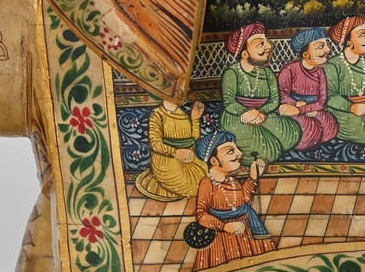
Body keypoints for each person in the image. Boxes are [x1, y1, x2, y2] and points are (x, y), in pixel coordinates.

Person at [188, 131, 275, 272]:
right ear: (214, 161)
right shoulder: (207, 183)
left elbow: (243, 201)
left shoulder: (233, 181)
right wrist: (225, 226)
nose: (239, 153)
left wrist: (252, 177)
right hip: (222, 237)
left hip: (244, 231)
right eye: (230, 151)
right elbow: (201, 215)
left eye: (236, 149)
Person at [218, 23, 300, 163]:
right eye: (261, 44)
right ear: (245, 53)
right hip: (237, 117)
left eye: (266, 41)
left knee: (292, 131)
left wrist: (260, 112)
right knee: (267, 149)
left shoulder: (267, 73)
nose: (268, 46)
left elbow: (275, 100)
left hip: (263, 114)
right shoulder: (232, 72)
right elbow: (229, 102)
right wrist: (246, 112)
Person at [277, 27, 340, 149]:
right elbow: (282, 95)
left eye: (326, 45)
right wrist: (296, 104)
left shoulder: (320, 72)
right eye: (321, 47)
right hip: (292, 108)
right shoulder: (289, 69)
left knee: (330, 124)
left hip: (313, 109)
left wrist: (305, 109)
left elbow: (322, 101)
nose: (328, 50)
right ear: (305, 54)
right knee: (308, 129)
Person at [132, 99, 206, 201]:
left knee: (203, 178)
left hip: (188, 157)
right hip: (166, 159)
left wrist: (195, 119)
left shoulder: (183, 113)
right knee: (189, 185)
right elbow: (155, 143)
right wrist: (175, 152)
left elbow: (193, 138)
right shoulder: (157, 113)